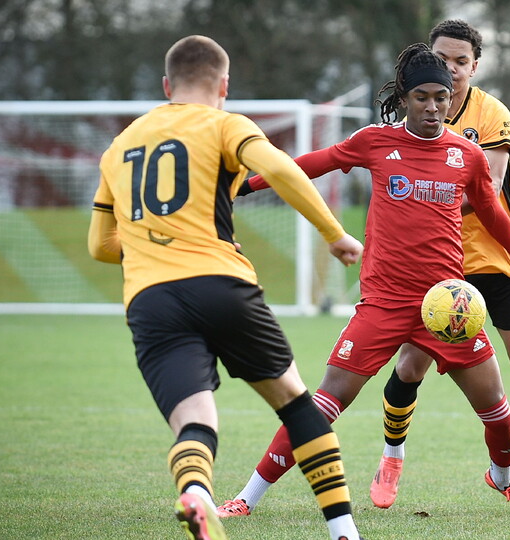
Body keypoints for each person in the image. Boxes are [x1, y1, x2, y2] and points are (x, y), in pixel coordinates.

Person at [215, 42, 510, 517]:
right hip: (385, 302)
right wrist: (245, 187)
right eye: (422, 97)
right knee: (322, 403)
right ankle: (247, 499)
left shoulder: (467, 155)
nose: (435, 106)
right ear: (404, 98)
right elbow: (311, 164)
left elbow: (493, 213)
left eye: (442, 96)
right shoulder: (375, 141)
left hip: (448, 308)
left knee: (498, 415)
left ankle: (503, 478)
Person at [87, 35, 364, 540]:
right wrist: (335, 234)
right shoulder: (224, 124)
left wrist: (155, 241)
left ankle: (196, 492)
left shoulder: (120, 146)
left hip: (151, 301)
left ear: (167, 85)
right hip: (220, 282)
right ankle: (344, 532)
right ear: (224, 85)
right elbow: (278, 167)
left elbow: (100, 247)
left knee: (194, 420)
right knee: (296, 404)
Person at [367, 20, 510, 512]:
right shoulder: (413, 109)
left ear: (475, 66)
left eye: (462, 62)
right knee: (411, 364)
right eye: (445, 59)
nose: (453, 70)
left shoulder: (491, 114)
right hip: (435, 266)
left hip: (496, 259)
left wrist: (426, 196)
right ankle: (391, 459)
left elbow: (491, 187)